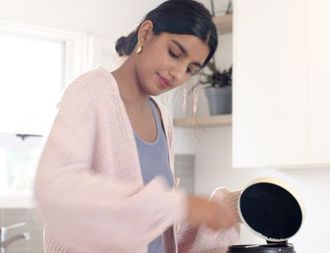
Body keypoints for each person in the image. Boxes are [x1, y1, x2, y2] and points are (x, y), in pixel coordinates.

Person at [34, 0, 239, 252]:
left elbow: (154, 226)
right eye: (174, 53)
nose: (178, 73)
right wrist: (181, 205)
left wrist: (211, 213)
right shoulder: (91, 91)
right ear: (146, 33)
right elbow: (56, 188)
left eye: (190, 70)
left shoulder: (162, 118)